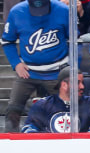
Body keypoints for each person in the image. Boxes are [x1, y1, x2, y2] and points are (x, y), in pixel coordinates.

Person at [1, 0, 70, 132]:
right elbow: (7, 41)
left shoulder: (63, 10)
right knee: (12, 110)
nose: (39, 15)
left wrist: (69, 68)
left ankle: (65, 142)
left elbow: (74, 39)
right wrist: (16, 63)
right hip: (29, 72)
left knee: (66, 110)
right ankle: (11, 143)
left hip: (57, 72)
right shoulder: (17, 12)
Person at [21, 66, 90, 133]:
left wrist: (83, 142)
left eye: (82, 83)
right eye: (77, 83)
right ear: (64, 85)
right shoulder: (43, 105)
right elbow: (29, 128)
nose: (82, 86)